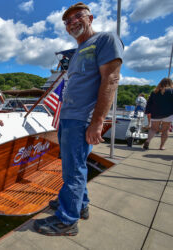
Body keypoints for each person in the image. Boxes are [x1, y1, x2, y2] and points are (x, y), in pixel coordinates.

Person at [33, 2, 123, 236]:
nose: (72, 22)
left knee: (72, 171)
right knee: (74, 167)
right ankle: (79, 205)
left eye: (77, 17)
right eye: (67, 21)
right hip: (68, 118)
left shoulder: (105, 40)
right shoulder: (77, 52)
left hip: (82, 119)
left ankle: (67, 221)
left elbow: (111, 79)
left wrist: (97, 121)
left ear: (90, 18)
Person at [143, 78, 173, 150]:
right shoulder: (172, 91)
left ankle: (148, 141)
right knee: (165, 130)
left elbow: (149, 103)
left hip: (155, 113)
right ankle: (161, 146)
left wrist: (147, 112)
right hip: (168, 114)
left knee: (153, 129)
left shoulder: (154, 92)